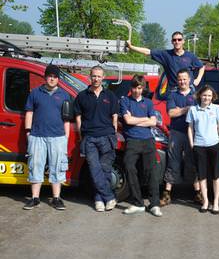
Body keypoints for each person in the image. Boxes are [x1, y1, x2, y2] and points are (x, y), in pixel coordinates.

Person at [23, 64, 70, 210]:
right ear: (45, 77)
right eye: (50, 76)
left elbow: (67, 118)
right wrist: (28, 132)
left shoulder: (64, 95)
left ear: (58, 79)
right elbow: (29, 113)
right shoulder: (35, 93)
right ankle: (34, 198)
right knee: (35, 166)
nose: (52, 79)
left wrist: (66, 137)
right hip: (37, 136)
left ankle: (56, 198)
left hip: (58, 137)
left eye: (55, 77)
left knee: (57, 167)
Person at [73, 66, 118, 212]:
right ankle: (109, 197)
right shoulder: (81, 96)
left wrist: (113, 134)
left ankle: (99, 199)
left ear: (103, 77)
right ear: (89, 77)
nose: (96, 79)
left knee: (105, 170)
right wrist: (81, 137)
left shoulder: (110, 96)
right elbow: (78, 119)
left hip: (107, 137)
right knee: (94, 169)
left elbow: (115, 117)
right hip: (89, 138)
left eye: (99, 76)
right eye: (94, 76)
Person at [120, 75, 162, 217]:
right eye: (134, 87)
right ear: (131, 88)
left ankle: (154, 204)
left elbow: (153, 122)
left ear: (142, 88)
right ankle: (138, 203)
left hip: (148, 140)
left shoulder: (149, 103)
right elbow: (127, 120)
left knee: (151, 172)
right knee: (129, 167)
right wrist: (145, 119)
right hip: (132, 141)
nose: (137, 91)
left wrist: (136, 120)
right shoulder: (125, 101)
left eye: (139, 88)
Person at [160, 69, 202, 207]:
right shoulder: (172, 95)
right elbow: (171, 113)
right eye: (180, 79)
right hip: (176, 132)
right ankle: (167, 194)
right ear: (177, 81)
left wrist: (180, 110)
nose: (182, 81)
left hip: (193, 133)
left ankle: (198, 193)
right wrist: (187, 109)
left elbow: (200, 112)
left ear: (189, 79)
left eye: (184, 79)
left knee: (192, 162)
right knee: (173, 162)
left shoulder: (197, 95)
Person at [186, 85, 219, 214]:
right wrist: (192, 144)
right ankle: (206, 202)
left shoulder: (216, 108)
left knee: (216, 175)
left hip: (214, 145)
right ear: (199, 96)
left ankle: (216, 202)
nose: (206, 97)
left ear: (212, 97)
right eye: (204, 95)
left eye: (209, 95)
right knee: (202, 176)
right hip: (199, 146)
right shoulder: (193, 110)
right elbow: (190, 128)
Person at [127, 31, 205, 91]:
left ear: (183, 41)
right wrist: (131, 47)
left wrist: (197, 80)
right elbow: (148, 52)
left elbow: (202, 67)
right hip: (174, 90)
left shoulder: (190, 56)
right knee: (173, 112)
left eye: (179, 39)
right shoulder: (166, 55)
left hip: (189, 90)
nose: (177, 42)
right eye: (174, 40)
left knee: (190, 111)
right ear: (172, 42)